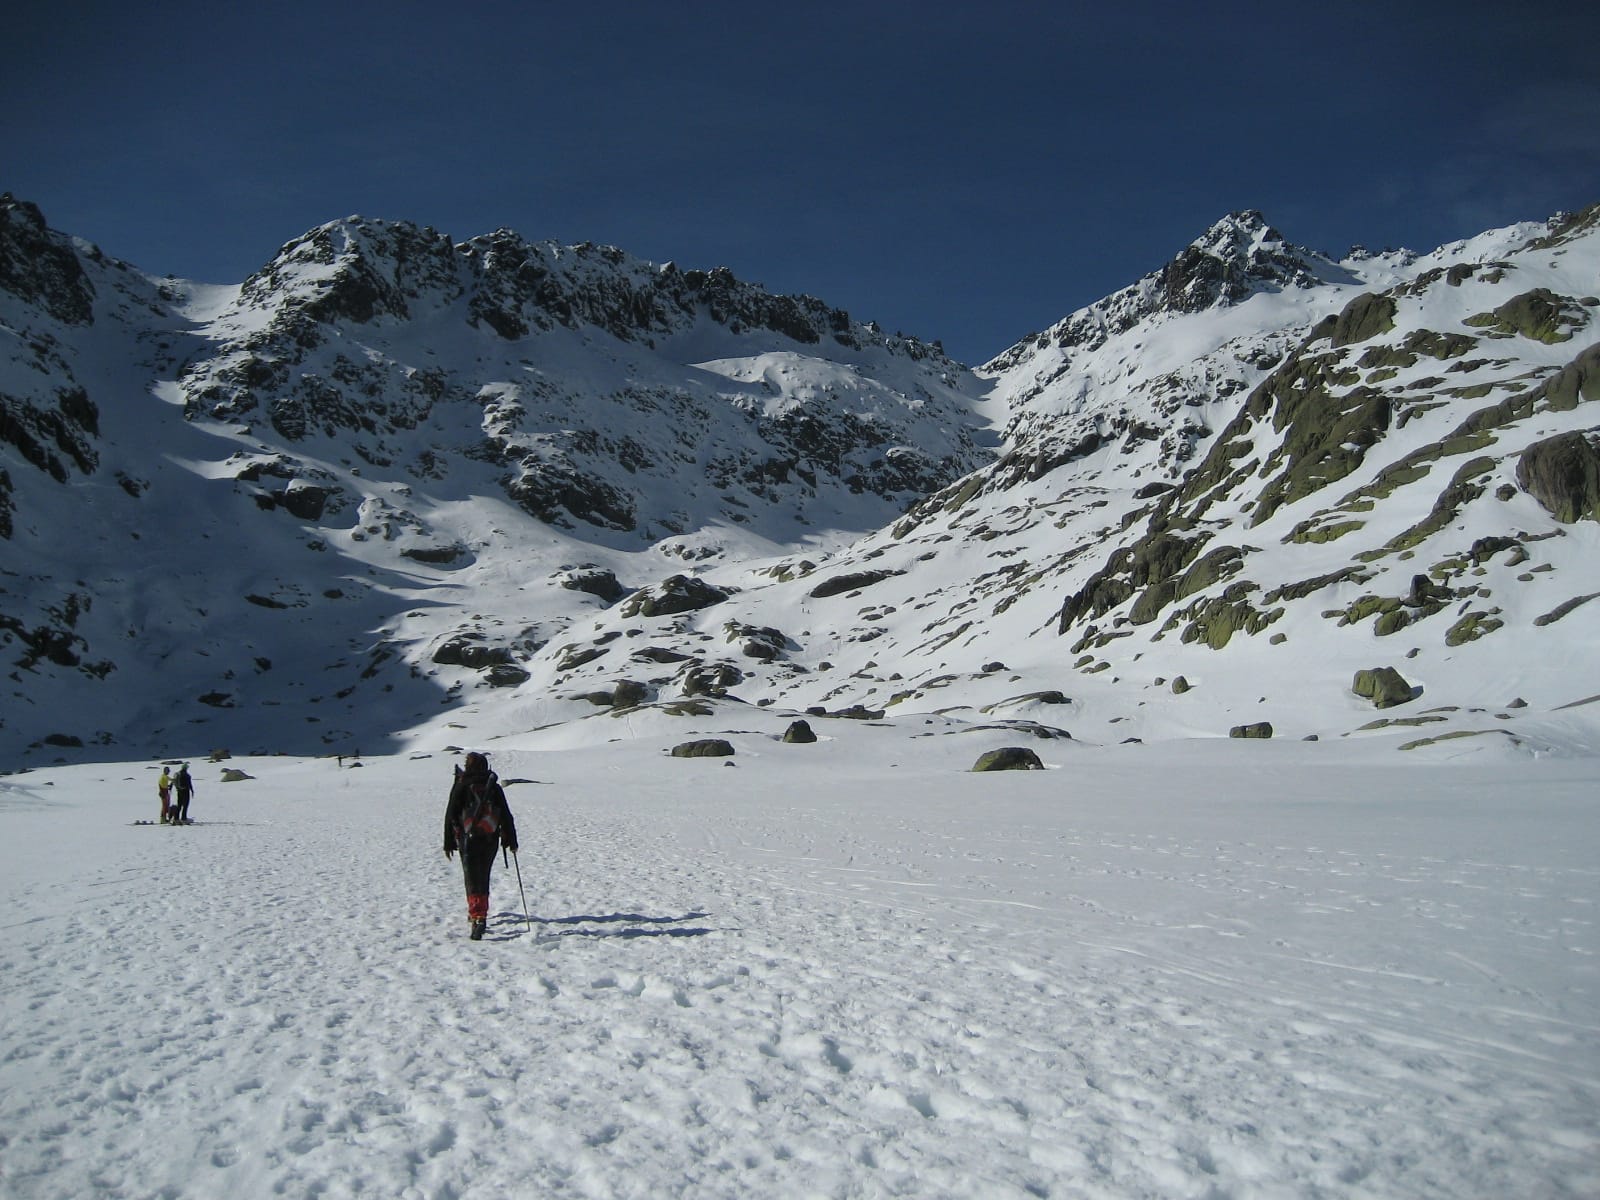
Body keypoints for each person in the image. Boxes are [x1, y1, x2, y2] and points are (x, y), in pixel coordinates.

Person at [443, 752, 518, 940]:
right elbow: (506, 815)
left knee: (471, 877)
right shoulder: (492, 786)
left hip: (467, 839)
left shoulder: (462, 784)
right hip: (490, 838)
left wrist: (448, 842)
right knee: (483, 875)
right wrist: (512, 841)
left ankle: (477, 915)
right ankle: (480, 912)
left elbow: (451, 814)